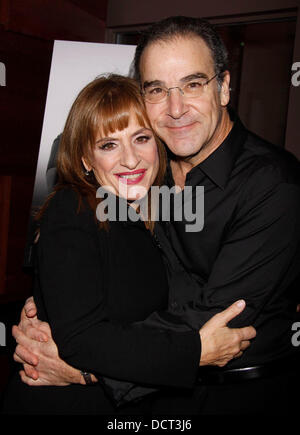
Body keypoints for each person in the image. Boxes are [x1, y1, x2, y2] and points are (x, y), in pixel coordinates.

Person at [10, 16, 300, 414]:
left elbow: (210, 321)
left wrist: (84, 366)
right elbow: (86, 256)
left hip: (233, 397)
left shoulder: (273, 186)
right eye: (158, 90)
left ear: (224, 88)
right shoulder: (144, 175)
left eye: (193, 84)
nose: (176, 108)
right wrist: (52, 307)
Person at [1, 74, 254, 415]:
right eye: (109, 145)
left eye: (141, 138)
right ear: (85, 160)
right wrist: (195, 352)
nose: (131, 160)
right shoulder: (72, 209)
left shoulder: (161, 209)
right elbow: (82, 338)